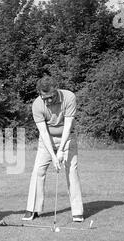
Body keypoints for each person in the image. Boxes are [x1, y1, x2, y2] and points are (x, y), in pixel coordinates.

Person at [23, 76, 84, 222]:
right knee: (38, 170)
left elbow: (68, 125)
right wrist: (53, 155)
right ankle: (33, 209)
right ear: (40, 94)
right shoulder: (37, 104)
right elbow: (43, 132)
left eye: (51, 97)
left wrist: (61, 150)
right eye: (45, 98)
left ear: (56, 90)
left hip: (67, 138)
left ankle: (77, 211)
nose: (48, 101)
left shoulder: (69, 97)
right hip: (46, 141)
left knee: (71, 171)